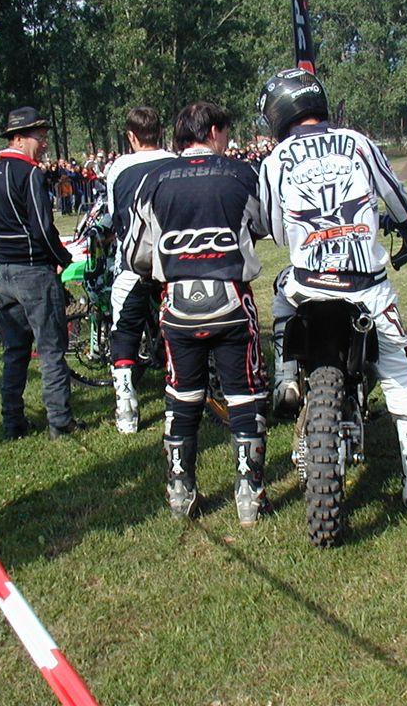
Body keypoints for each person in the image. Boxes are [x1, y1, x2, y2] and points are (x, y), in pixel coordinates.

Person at [256, 68, 407, 510]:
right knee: (401, 375)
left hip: (309, 283)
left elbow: (275, 231)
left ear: (278, 113)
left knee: (282, 293)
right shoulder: (358, 142)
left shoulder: (274, 160)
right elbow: (398, 200)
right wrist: (400, 224)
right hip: (367, 287)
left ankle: (285, 376)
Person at [124, 101, 271, 525]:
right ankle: (249, 497)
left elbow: (135, 252)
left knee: (181, 395)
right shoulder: (241, 173)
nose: (227, 139)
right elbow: (264, 224)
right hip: (232, 300)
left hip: (178, 305)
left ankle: (179, 492)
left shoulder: (153, 179)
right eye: (224, 131)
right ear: (212, 132)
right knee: (244, 394)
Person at [0, 106, 85, 440]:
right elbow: (41, 227)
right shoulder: (30, 174)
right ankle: (60, 421)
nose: (44, 142)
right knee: (51, 348)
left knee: (15, 350)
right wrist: (62, 257)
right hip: (34, 272)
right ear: (19, 138)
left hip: (5, 272)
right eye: (40, 136)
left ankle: (12, 421)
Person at [105, 107, 175, 434]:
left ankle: (126, 406)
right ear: (159, 132)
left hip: (132, 263)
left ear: (131, 136)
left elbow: (116, 217)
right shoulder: (175, 162)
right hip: (172, 262)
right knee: (179, 327)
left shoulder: (119, 168)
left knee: (124, 331)